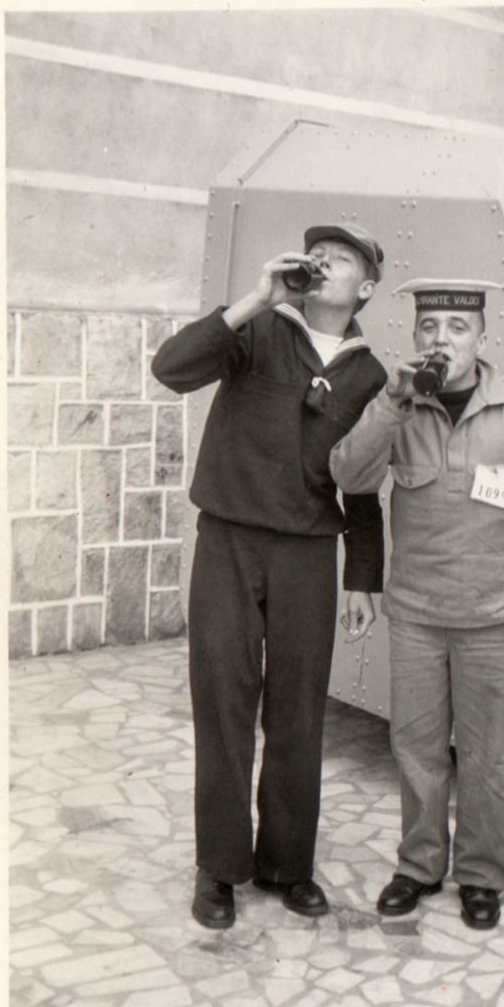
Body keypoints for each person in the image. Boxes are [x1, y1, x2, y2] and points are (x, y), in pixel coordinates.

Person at [329, 278, 504, 930]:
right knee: (415, 751)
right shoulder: (399, 408)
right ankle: (418, 866)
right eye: (428, 328)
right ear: (415, 339)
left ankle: (480, 874)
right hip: (416, 615)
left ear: (479, 337)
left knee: (483, 755)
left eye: (454, 327)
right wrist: (391, 400)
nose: (439, 339)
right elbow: (348, 475)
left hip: (492, 619)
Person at [152, 223, 387, 929]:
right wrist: (253, 298)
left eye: (340, 257)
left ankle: (287, 865)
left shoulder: (370, 374)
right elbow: (171, 368)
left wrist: (361, 580)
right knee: (223, 702)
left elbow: (364, 486)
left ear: (365, 286)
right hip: (227, 541)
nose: (322, 260)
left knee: (298, 712)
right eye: (317, 251)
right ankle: (218, 869)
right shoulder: (258, 332)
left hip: (308, 555)